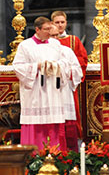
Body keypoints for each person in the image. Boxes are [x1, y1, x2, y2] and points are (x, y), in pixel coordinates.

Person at [13, 17, 72, 150]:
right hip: (35, 92)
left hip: (53, 91)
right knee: (36, 123)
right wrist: (37, 67)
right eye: (46, 29)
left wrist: (57, 66)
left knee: (53, 123)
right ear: (37, 29)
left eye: (50, 29)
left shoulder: (55, 44)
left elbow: (66, 63)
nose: (49, 32)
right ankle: (34, 156)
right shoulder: (25, 45)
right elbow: (18, 67)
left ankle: (55, 155)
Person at [51, 11, 88, 140]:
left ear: (66, 23)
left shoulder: (73, 40)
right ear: (52, 23)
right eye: (57, 22)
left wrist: (68, 69)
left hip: (68, 83)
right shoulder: (46, 44)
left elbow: (82, 60)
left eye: (62, 22)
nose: (60, 25)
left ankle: (73, 138)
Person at [49, 24, 83, 152]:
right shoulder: (40, 51)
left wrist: (65, 71)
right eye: (52, 36)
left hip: (64, 92)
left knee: (68, 128)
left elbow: (78, 71)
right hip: (49, 94)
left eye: (57, 35)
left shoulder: (67, 51)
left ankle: (70, 156)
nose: (55, 38)